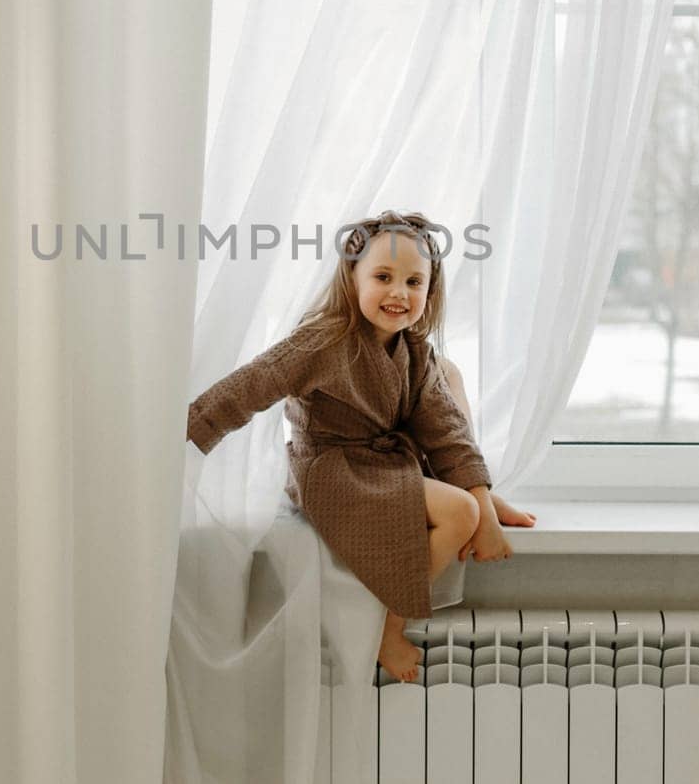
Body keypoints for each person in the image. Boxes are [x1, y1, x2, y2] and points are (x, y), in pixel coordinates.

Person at [186, 209, 536, 683]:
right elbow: (252, 384)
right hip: (334, 468)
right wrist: (186, 435)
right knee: (461, 514)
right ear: (352, 279)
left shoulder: (413, 349)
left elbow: (446, 431)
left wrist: (484, 507)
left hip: (384, 457)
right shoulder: (322, 342)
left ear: (430, 292)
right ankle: (391, 628)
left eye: (415, 282)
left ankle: (479, 492)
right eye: (384, 277)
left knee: (445, 386)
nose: (399, 293)